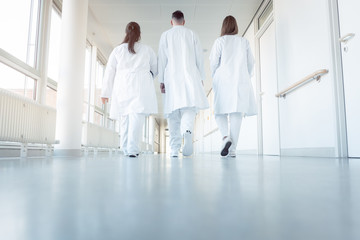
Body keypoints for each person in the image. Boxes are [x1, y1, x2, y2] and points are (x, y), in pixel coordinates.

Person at [101, 22, 158, 158]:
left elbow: (109, 72)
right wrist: (149, 76)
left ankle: (125, 147)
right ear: (139, 34)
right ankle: (132, 148)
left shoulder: (117, 50)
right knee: (137, 117)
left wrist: (105, 93)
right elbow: (155, 69)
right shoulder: (147, 49)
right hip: (141, 86)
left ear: (126, 33)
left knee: (125, 117)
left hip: (122, 85)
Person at [158, 10, 209, 157]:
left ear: (171, 21)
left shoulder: (165, 35)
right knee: (189, 108)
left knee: (172, 113)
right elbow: (199, 57)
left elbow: (162, 59)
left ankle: (174, 149)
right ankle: (187, 131)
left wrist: (161, 80)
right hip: (190, 75)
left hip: (171, 77)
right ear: (184, 21)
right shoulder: (192, 34)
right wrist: (201, 77)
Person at [209, 16, 257, 158]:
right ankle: (233, 149)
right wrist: (245, 75)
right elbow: (251, 62)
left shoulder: (220, 41)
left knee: (219, 111)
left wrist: (215, 75)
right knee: (236, 113)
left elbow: (213, 62)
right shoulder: (244, 42)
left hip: (222, 79)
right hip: (240, 80)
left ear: (223, 27)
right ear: (236, 26)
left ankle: (225, 138)